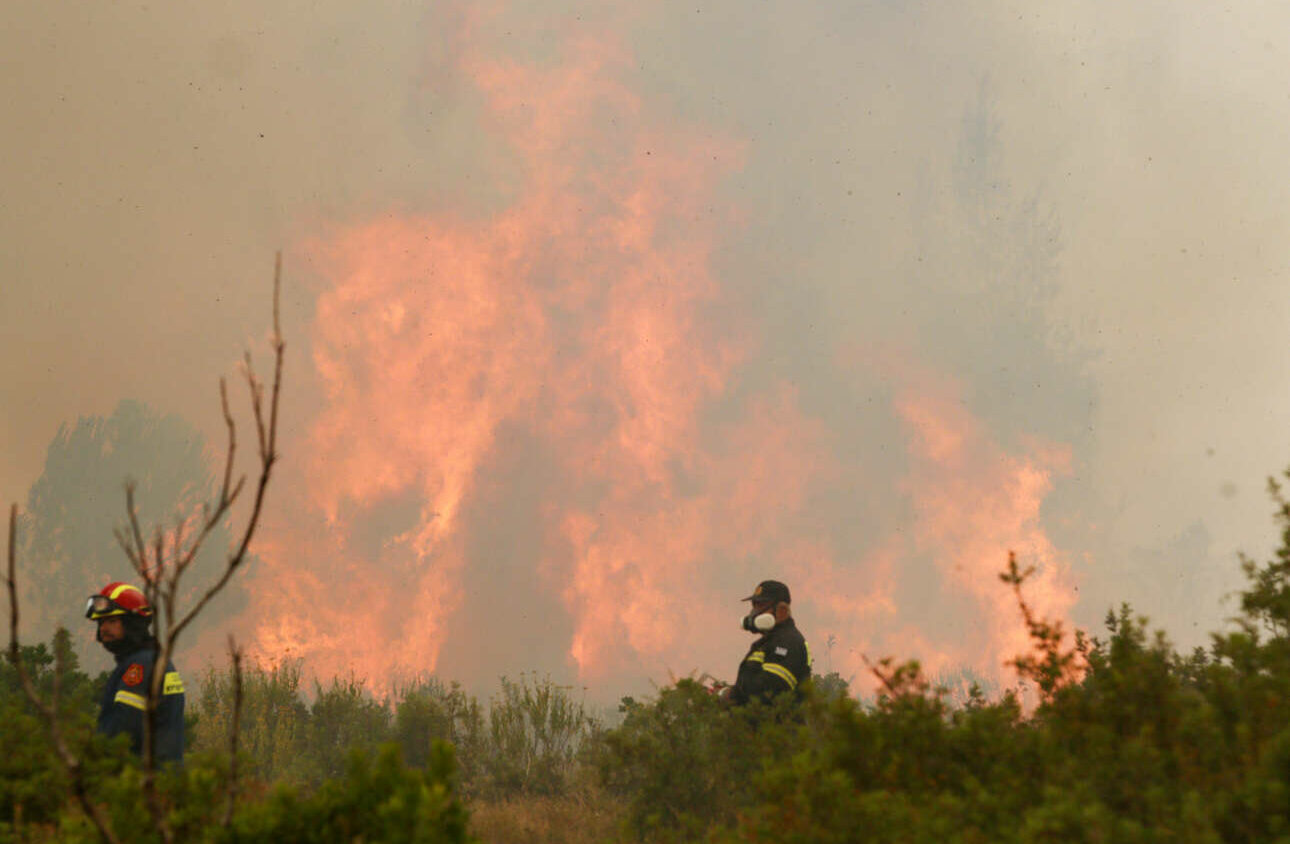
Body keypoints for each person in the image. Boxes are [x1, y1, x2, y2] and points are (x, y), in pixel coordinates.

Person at [85, 582, 185, 763]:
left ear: (132, 623)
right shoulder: (153, 661)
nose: (103, 629)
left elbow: (124, 728)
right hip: (162, 774)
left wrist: (91, 760)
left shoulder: (140, 666)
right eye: (101, 622)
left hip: (140, 776)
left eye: (112, 621)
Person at [725, 579, 812, 706]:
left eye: (761, 605)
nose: (754, 612)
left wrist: (732, 695)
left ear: (782, 610)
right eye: (754, 605)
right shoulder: (768, 642)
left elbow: (770, 690)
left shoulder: (788, 642)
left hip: (776, 719)